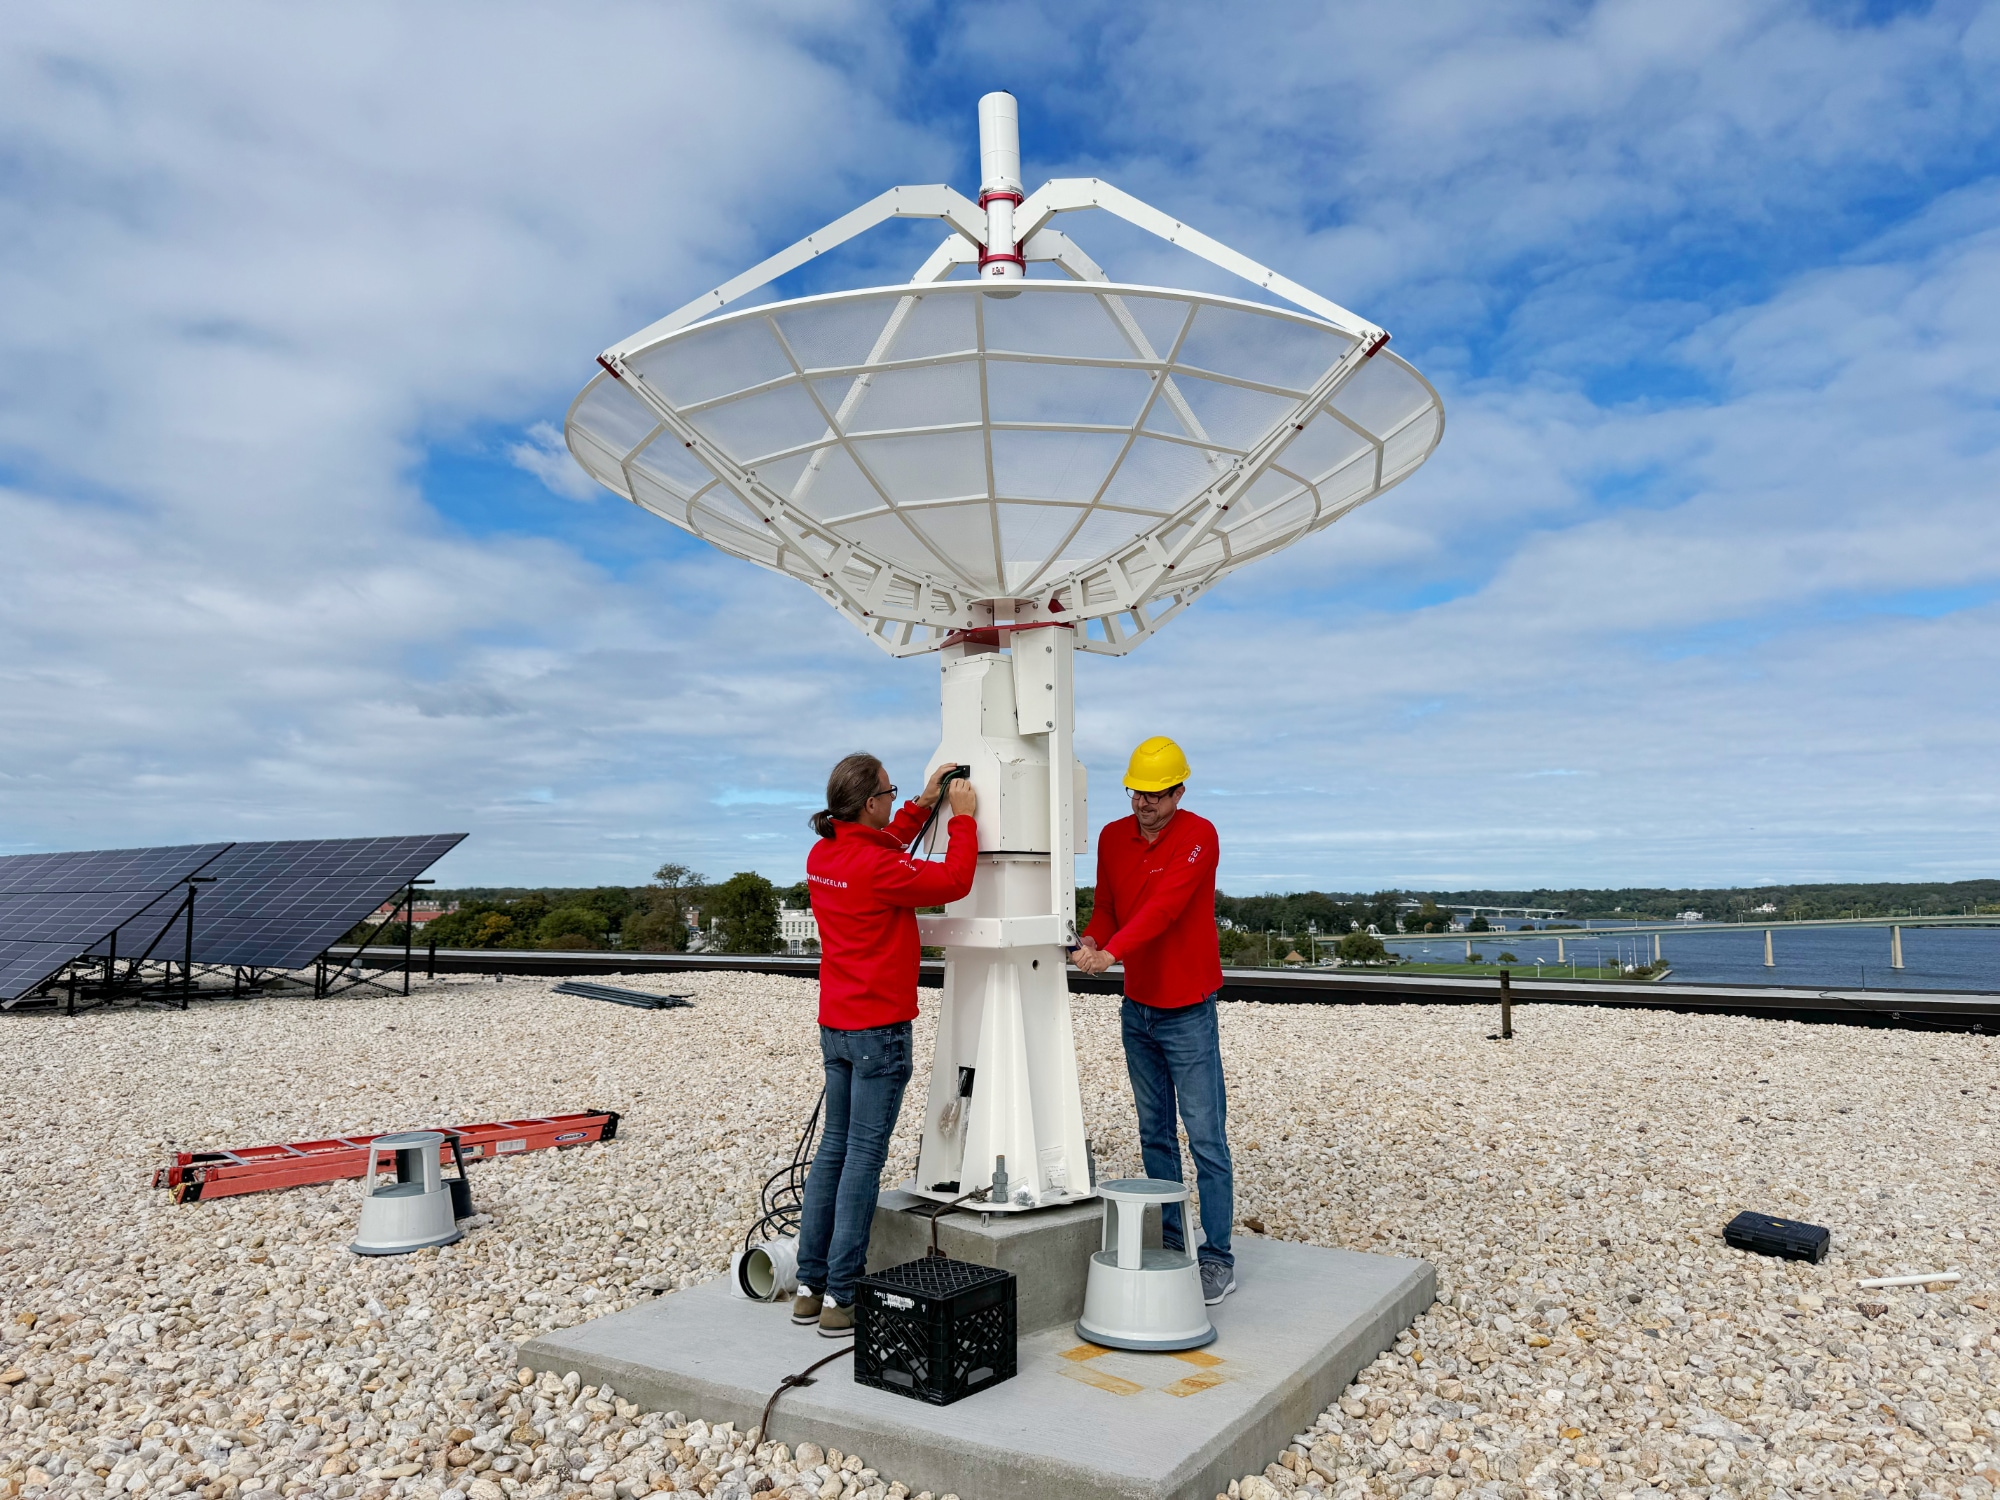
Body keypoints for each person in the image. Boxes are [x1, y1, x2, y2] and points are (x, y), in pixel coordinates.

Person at [793, 753, 978, 1336]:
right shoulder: (875, 866)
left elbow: (883, 847)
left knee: (834, 1151)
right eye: (889, 793)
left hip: (838, 1026)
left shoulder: (824, 854)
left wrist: (923, 802)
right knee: (863, 1160)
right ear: (870, 803)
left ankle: (809, 1285)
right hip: (880, 1031)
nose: (893, 800)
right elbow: (954, 879)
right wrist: (962, 820)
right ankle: (841, 1299)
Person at [1071, 735, 1235, 1304]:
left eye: (1157, 794)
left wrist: (1110, 955)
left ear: (1179, 791)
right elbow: (1111, 907)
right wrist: (1094, 936)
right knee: (1154, 1134)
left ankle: (1217, 1256)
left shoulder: (1199, 836)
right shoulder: (1114, 838)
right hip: (1138, 1007)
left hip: (1188, 1006)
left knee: (1206, 1136)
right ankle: (1172, 1242)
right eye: (1137, 792)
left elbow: (1165, 908)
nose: (1144, 803)